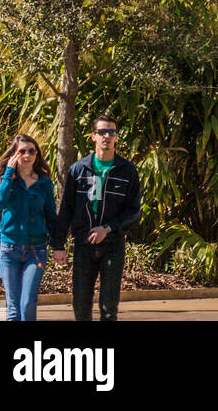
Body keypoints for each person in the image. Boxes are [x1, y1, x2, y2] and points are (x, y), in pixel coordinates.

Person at [53, 114, 142, 323]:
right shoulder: (79, 169)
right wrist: (58, 244)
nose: (107, 136)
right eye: (102, 132)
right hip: (84, 244)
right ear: (93, 136)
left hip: (112, 244)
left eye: (112, 132)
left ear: (117, 137)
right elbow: (66, 208)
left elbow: (134, 211)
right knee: (81, 302)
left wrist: (107, 229)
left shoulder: (127, 171)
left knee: (109, 306)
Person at [0, 134, 62, 321]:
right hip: (9, 251)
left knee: (28, 303)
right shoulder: (5, 179)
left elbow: (51, 216)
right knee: (14, 306)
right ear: (14, 154)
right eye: (22, 151)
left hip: (36, 251)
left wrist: (57, 246)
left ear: (37, 155)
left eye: (32, 151)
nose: (27, 154)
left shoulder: (44, 182)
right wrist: (8, 174)